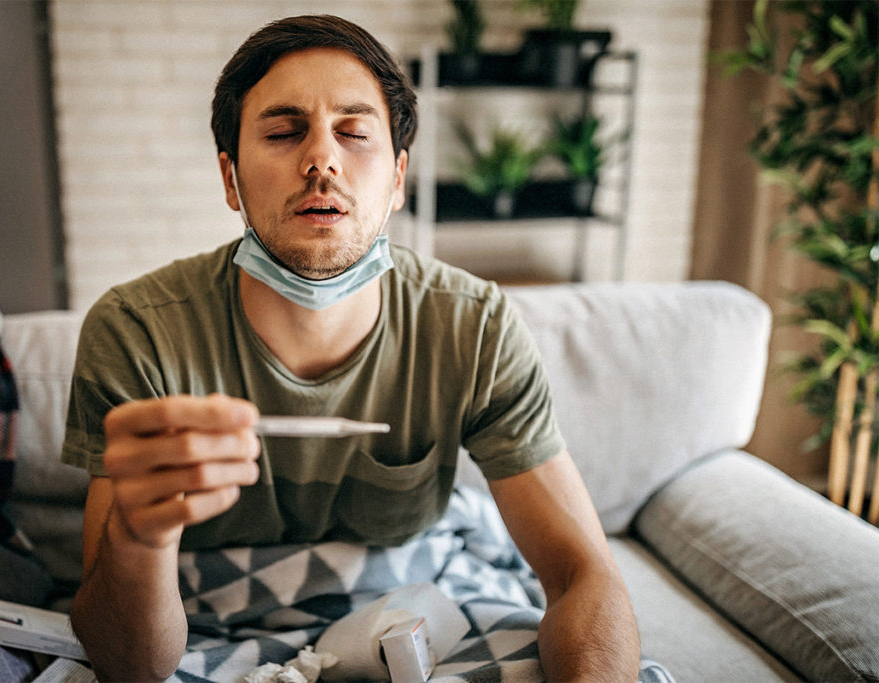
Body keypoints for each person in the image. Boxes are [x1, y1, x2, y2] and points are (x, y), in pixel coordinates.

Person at [62, 14, 640, 682]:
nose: (322, 161)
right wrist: (138, 534)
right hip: (201, 622)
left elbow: (583, 574)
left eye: (354, 133)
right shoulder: (136, 334)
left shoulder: (474, 327)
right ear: (230, 180)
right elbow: (125, 663)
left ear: (397, 179)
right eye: (283, 133)